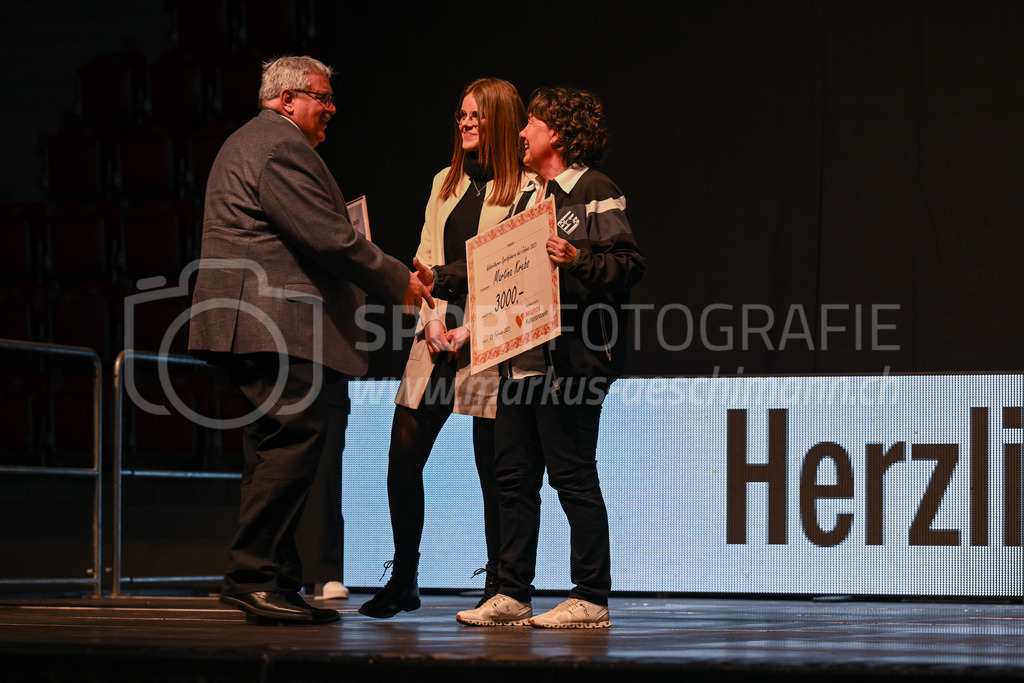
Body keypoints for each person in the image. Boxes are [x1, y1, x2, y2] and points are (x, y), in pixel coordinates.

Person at [188, 55, 433, 625]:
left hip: (260, 323)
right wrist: (399, 280)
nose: (331, 109)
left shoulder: (258, 143)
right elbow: (331, 238)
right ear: (287, 99)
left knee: (274, 447)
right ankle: (254, 576)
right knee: (295, 437)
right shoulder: (279, 145)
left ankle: (271, 580)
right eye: (321, 98)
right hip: (273, 323)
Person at [421, 87, 646, 628]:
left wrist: (578, 256)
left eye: (532, 124)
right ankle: (512, 594)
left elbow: (628, 265)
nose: (520, 133)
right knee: (513, 477)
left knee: (571, 475)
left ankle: (590, 597)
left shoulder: (593, 189)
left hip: (573, 361)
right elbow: (493, 267)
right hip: (522, 360)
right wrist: (438, 281)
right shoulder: (528, 198)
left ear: (558, 135)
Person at [358, 78, 533, 619]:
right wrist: (433, 324)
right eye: (460, 115)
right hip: (435, 336)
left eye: (476, 115)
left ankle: (499, 586)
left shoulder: (528, 188)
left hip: (490, 341)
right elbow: (425, 261)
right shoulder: (445, 181)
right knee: (401, 462)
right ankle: (405, 577)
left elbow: (520, 275)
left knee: (495, 472)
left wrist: (471, 333)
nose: (465, 123)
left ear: (502, 120)